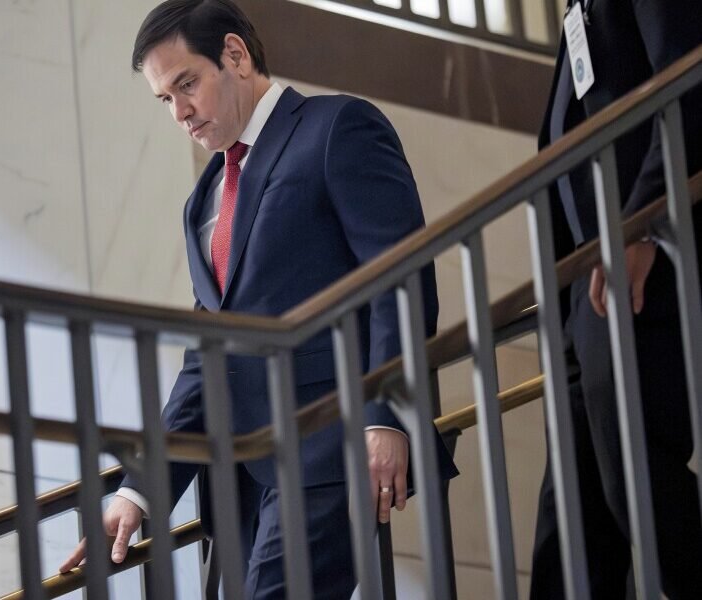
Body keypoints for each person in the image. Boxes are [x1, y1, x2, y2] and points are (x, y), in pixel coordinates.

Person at [59, 1, 458, 596]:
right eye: (165, 99)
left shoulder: (337, 128)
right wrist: (138, 491)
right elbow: (208, 360)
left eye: (186, 84)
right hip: (242, 480)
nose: (179, 113)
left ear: (235, 55)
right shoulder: (202, 200)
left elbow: (399, 278)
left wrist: (386, 415)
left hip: (331, 446)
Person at [530, 1, 702, 598]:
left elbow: (687, 77)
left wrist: (643, 222)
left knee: (638, 479)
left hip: (635, 263)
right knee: (569, 514)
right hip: (581, 286)